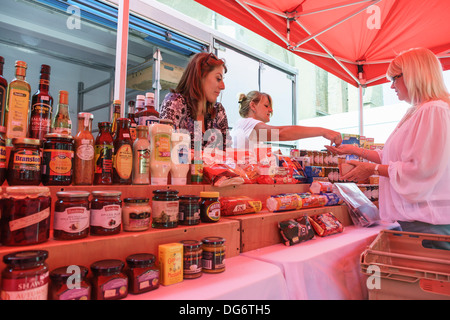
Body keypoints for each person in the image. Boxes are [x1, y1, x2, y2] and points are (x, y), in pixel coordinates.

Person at [326, 48, 450, 247]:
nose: (392, 86)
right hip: (419, 221)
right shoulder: (419, 111)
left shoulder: (433, 110)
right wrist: (354, 150)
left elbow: (420, 169)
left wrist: (372, 169)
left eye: (394, 78)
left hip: (428, 223)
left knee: (427, 277)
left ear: (413, 75)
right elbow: (393, 156)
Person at [160, 52, 230, 151]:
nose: (223, 86)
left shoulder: (219, 111)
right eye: (218, 78)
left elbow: (228, 153)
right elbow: (164, 149)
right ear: (200, 76)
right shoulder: (176, 102)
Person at [230, 90, 342, 150]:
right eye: (266, 106)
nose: (271, 109)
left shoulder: (243, 125)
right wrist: (323, 131)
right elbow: (282, 133)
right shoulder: (248, 123)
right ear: (253, 106)